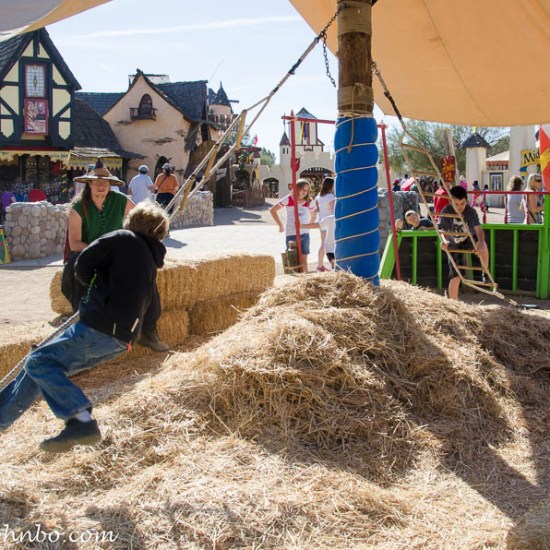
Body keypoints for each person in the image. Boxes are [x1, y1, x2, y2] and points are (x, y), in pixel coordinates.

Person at [0, 202, 170, 452]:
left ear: (131, 222)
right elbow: (152, 306)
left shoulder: (122, 238)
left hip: (100, 326)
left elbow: (82, 264)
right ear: (160, 233)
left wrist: (95, 290)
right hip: (121, 338)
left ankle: (80, 419)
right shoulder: (149, 261)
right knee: (39, 365)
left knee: (39, 361)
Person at [62, 159, 134, 313]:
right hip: (88, 252)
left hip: (116, 253)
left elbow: (139, 218)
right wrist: (98, 252)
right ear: (89, 184)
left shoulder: (121, 200)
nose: (101, 186)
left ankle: (140, 321)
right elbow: (75, 244)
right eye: (96, 183)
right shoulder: (78, 208)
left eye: (105, 183)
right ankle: (81, 313)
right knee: (75, 268)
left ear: (110, 185)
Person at [439, 186, 489, 300]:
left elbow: (479, 230)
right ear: (450, 201)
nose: (459, 207)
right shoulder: (446, 211)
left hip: (467, 239)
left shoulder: (470, 211)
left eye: (462, 203)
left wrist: (480, 242)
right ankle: (453, 302)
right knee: (456, 276)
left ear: (466, 201)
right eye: (456, 204)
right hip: (453, 243)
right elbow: (442, 230)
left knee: (483, 245)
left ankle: (485, 272)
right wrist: (444, 241)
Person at [270, 179, 318, 273]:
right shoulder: (289, 198)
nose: (305, 192)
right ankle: (294, 278)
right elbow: (273, 210)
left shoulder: (309, 201)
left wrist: (308, 226)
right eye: (303, 189)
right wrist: (280, 225)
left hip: (304, 234)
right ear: (297, 188)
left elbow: (313, 215)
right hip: (291, 233)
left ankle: (305, 278)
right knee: (292, 260)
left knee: (304, 260)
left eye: (307, 190)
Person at [314, 177, 335, 271]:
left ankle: (320, 265)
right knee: (330, 245)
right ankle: (333, 264)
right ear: (331, 186)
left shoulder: (319, 196)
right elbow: (334, 210)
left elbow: (317, 209)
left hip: (322, 222)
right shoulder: (330, 197)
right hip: (329, 223)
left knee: (323, 244)